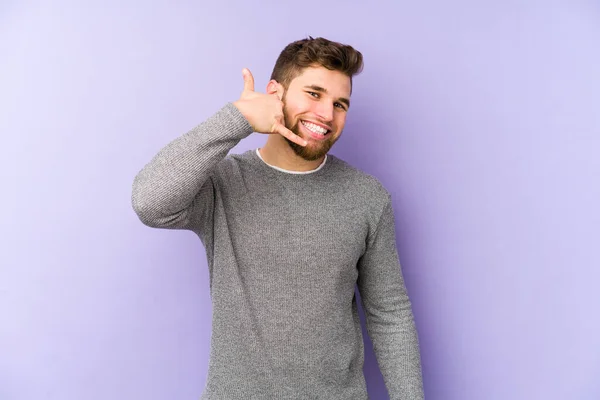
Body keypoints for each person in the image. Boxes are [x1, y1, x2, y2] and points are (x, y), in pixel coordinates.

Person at [131, 36, 424, 399]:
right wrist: (236, 118)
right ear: (276, 93)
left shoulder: (366, 197)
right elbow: (150, 202)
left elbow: (390, 313)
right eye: (314, 94)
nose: (326, 115)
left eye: (340, 104)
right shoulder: (224, 183)